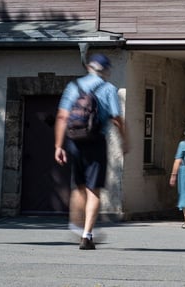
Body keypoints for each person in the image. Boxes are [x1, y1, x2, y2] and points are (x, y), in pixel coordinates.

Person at [55, 53, 127, 250]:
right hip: (95, 141)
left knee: (78, 186)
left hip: (74, 141)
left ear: (89, 67)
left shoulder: (73, 86)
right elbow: (116, 119)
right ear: (106, 70)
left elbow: (62, 117)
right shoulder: (109, 89)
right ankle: (87, 235)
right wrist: (124, 140)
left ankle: (75, 224)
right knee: (93, 189)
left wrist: (58, 146)